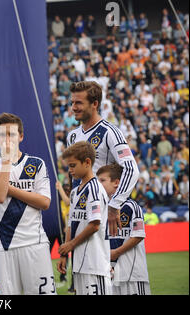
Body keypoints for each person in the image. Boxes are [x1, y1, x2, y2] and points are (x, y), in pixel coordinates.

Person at [0, 113, 55, 295]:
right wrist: (6, 162)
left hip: (34, 243)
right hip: (2, 246)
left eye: (12, 134)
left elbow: (44, 202)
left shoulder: (36, 164)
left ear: (21, 136)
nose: (7, 139)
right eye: (2, 134)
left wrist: (9, 189)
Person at [66, 81, 139, 237]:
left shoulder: (110, 132)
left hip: (102, 212)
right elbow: (72, 175)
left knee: (103, 260)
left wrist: (114, 205)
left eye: (79, 103)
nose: (73, 107)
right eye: (72, 102)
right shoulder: (72, 136)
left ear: (95, 104)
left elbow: (131, 169)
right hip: (79, 213)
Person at [57, 141, 111, 295]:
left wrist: (71, 245)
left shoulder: (94, 189)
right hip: (79, 264)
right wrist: (63, 254)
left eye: (73, 165)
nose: (70, 170)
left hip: (95, 265)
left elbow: (94, 225)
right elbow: (71, 225)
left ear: (87, 162)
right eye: (68, 166)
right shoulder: (75, 192)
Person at [97, 163, 151, 295]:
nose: (98, 184)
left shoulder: (131, 207)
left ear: (116, 183)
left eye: (102, 180)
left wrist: (116, 252)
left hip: (133, 274)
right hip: (112, 274)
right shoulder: (101, 208)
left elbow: (138, 235)